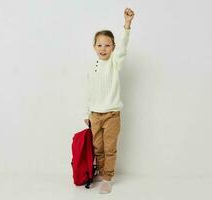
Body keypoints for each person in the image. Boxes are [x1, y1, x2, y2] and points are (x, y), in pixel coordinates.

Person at [84, 8, 135, 194]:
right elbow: (89, 91)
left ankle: (107, 178)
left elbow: (123, 47)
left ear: (113, 48)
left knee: (110, 148)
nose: (103, 48)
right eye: (99, 45)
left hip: (112, 114)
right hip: (95, 114)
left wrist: (127, 25)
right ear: (94, 47)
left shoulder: (115, 63)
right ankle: (101, 171)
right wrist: (87, 113)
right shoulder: (91, 67)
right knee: (98, 147)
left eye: (107, 45)